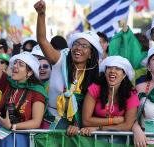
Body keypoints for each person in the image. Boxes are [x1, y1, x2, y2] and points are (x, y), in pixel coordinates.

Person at [34, 0, 103, 135]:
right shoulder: (60, 61)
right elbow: (42, 40)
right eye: (76, 44)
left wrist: (78, 126)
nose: (78, 48)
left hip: (76, 130)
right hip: (50, 124)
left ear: (91, 54)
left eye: (84, 46)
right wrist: (41, 14)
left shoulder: (96, 76)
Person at [0, 35, 47, 146]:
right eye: (15, 63)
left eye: (21, 65)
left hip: (20, 138)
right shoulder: (8, 83)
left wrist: (12, 127)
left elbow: (36, 122)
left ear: (29, 72)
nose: (15, 67)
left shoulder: (37, 92)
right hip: (1, 134)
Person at [80, 56, 139, 143]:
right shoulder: (95, 88)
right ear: (105, 71)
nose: (112, 71)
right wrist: (114, 121)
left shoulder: (131, 94)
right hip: (95, 139)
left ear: (124, 75)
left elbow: (127, 125)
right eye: (109, 68)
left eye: (118, 68)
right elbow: (86, 121)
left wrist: (99, 128)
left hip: (120, 140)